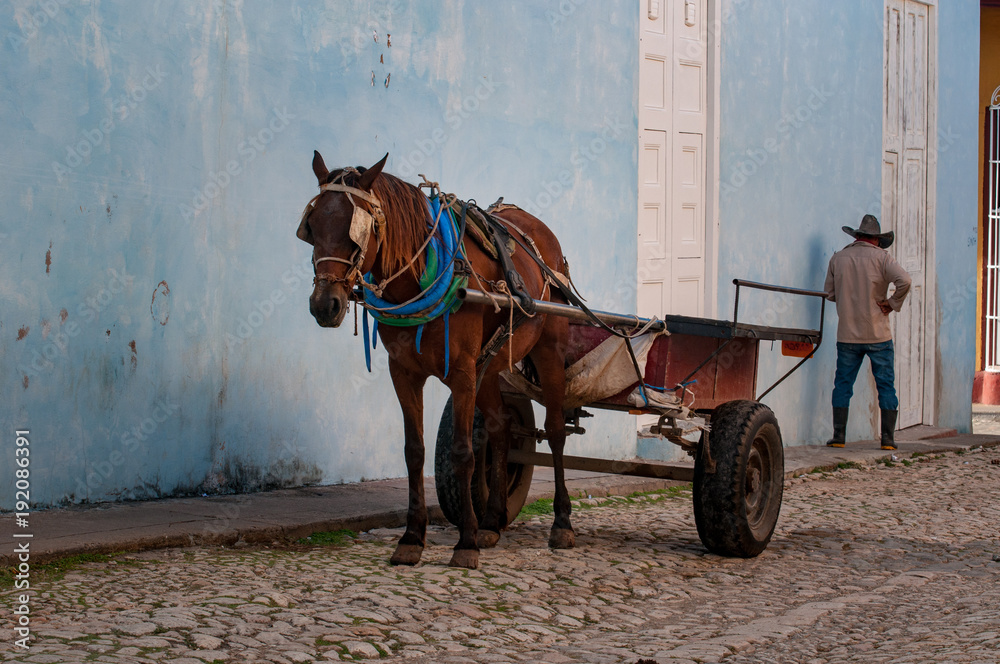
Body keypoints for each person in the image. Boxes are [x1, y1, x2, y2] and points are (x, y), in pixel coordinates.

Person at [823, 214, 912, 450]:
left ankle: (839, 437)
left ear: (858, 236)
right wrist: (891, 304)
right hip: (878, 334)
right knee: (886, 385)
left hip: (847, 335)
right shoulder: (883, 258)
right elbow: (905, 281)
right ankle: (888, 440)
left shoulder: (838, 258)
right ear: (876, 240)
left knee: (842, 384)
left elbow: (830, 295)